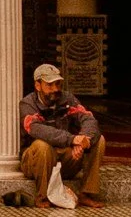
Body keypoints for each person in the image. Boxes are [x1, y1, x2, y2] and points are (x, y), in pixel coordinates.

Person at [10, 61, 106, 209]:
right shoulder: (27, 104)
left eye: (57, 84)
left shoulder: (67, 99)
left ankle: (87, 193)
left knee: (98, 140)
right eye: (49, 85)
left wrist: (84, 139)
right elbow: (36, 129)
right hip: (36, 161)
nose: (55, 89)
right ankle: (42, 197)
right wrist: (71, 139)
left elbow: (88, 118)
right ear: (38, 86)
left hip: (64, 159)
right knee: (42, 145)